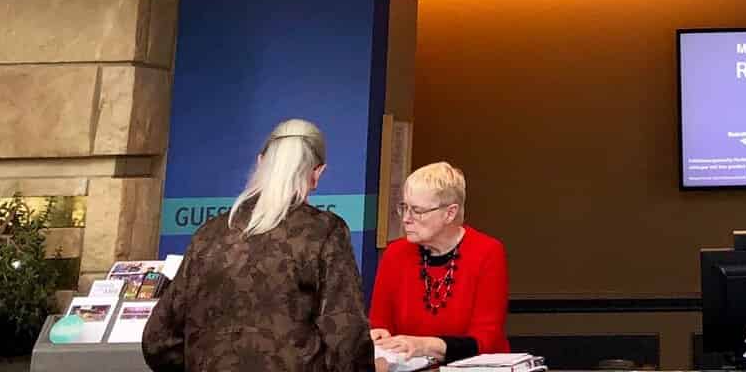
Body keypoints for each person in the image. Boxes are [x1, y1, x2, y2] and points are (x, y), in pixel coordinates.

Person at [144, 119, 372, 372]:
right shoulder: (325, 232)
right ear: (317, 173)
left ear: (261, 161)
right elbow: (346, 338)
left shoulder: (209, 234)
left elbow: (158, 340)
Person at [369, 162, 509, 363]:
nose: (406, 219)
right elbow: (379, 323)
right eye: (404, 208)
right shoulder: (395, 253)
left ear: (450, 213)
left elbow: (485, 341)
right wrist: (378, 335)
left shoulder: (487, 252)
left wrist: (424, 346)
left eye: (418, 211)